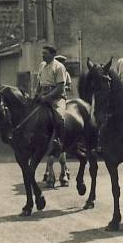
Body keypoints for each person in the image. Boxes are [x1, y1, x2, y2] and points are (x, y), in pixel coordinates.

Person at [31, 45, 67, 156]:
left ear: (53, 54)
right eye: (42, 53)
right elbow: (39, 83)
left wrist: (47, 97)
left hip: (56, 98)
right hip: (42, 95)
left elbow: (60, 87)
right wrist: (36, 95)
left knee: (59, 117)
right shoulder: (42, 66)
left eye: (45, 53)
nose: (43, 55)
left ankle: (59, 142)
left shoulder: (59, 67)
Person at [43, 54, 72, 184]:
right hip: (47, 97)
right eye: (58, 61)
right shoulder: (46, 69)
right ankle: (48, 170)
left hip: (59, 98)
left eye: (62, 62)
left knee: (61, 119)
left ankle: (64, 169)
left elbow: (68, 87)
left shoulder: (64, 72)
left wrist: (57, 89)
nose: (60, 63)